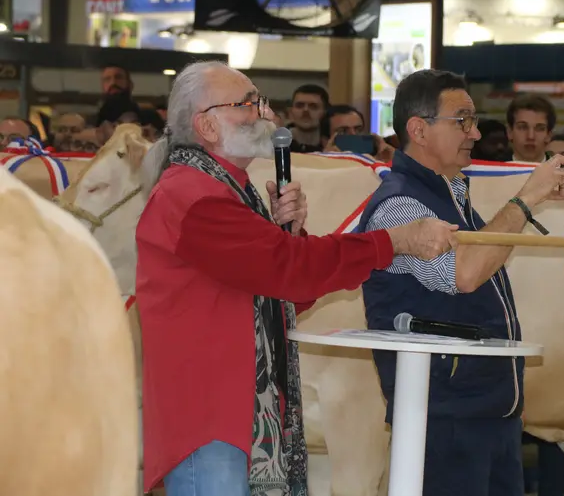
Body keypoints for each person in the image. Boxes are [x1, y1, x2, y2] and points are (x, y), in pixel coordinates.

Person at [135, 61, 457, 496]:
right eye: (246, 103)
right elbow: (291, 270)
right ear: (207, 126)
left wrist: (287, 234)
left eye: (261, 101)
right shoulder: (193, 196)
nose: (264, 114)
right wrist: (392, 242)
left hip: (229, 417)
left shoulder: (225, 189)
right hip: (210, 422)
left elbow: (282, 294)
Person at [358, 69, 564, 496]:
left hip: (487, 412)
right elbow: (465, 274)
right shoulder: (401, 204)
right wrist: (527, 197)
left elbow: (479, 267)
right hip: (445, 418)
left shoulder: (450, 195)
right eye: (462, 120)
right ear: (418, 129)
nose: (474, 133)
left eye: (473, 121)